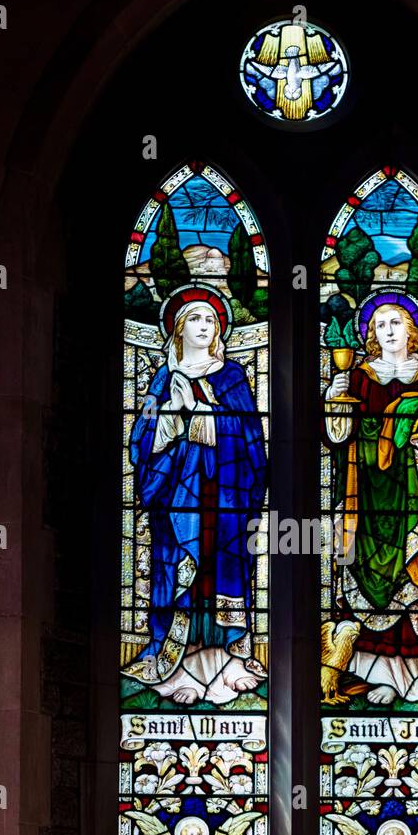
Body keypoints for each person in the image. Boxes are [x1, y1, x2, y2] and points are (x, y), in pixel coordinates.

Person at [124, 284, 267, 706]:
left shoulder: (232, 377)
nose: (205, 326)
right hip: (177, 496)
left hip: (224, 494)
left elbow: (252, 439)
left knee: (221, 571)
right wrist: (171, 420)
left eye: (211, 320)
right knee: (179, 573)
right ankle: (178, 665)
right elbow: (141, 440)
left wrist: (205, 415)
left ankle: (226, 661)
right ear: (179, 329)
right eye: (196, 319)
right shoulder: (164, 378)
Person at [324, 289, 418, 703]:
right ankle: (371, 670)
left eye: (396, 322)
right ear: (370, 334)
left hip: (415, 495)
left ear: (413, 331)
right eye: (379, 324)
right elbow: (338, 437)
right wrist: (337, 399)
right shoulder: (361, 378)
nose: (387, 330)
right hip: (365, 495)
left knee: (415, 568)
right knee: (366, 575)